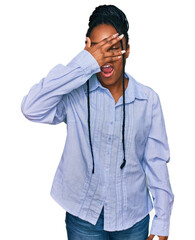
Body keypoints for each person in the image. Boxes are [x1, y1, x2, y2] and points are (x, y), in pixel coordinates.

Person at [20, 4, 174, 240]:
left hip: (132, 219)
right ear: (88, 49)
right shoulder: (74, 93)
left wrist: (162, 221)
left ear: (128, 50)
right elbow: (31, 108)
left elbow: (156, 162)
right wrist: (84, 63)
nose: (106, 58)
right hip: (83, 219)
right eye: (99, 50)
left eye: (113, 48)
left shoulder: (148, 100)